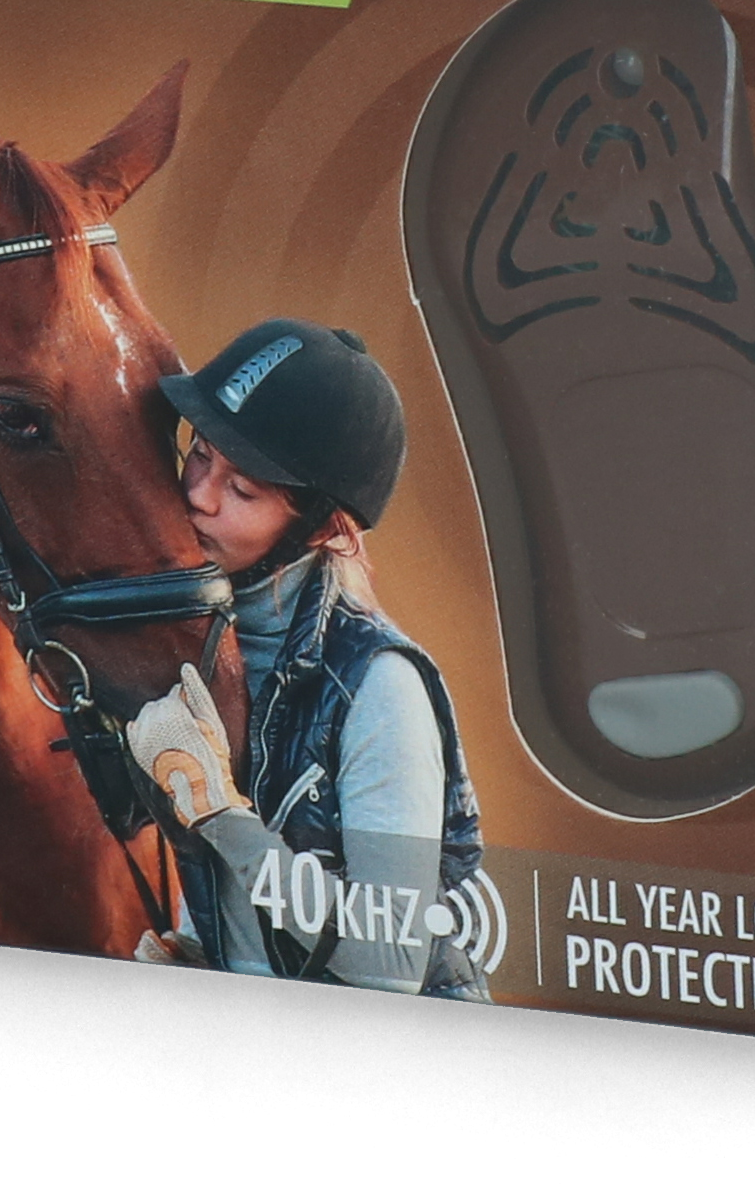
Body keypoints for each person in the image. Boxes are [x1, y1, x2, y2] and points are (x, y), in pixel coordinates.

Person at [126, 319, 488, 999]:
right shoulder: (197, 637)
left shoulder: (381, 686)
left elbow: (391, 960)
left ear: (319, 529)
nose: (199, 494)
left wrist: (218, 814)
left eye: (242, 490)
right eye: (200, 454)